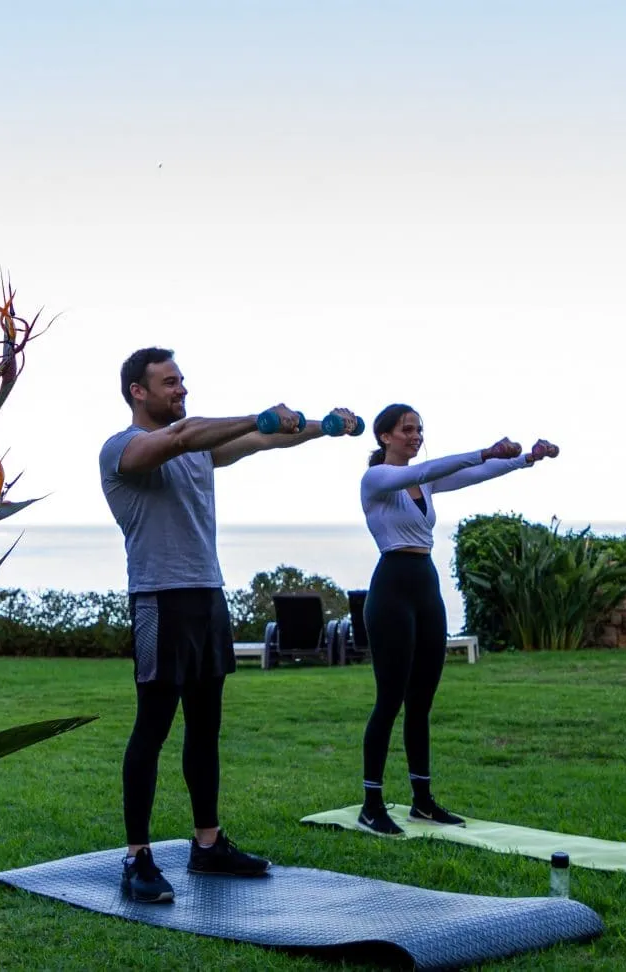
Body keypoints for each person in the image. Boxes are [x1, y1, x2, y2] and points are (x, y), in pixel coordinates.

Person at [99, 346, 360, 903]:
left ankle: (207, 845)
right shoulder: (123, 449)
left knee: (205, 727)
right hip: (159, 602)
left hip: (206, 596)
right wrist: (256, 415)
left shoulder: (200, 450)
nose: (181, 389)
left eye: (183, 381)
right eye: (169, 382)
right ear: (137, 392)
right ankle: (137, 858)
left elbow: (267, 439)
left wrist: (323, 427)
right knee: (152, 728)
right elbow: (180, 438)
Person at [355, 403, 558, 837]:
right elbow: (432, 470)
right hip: (391, 589)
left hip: (426, 589)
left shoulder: (424, 484)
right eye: (407, 430)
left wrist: (525, 460)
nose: (415, 435)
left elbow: (472, 475)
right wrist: (484, 450)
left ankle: (422, 802)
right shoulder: (377, 480)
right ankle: (371, 804)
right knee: (389, 701)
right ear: (384, 436)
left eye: (419, 430)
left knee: (422, 703)